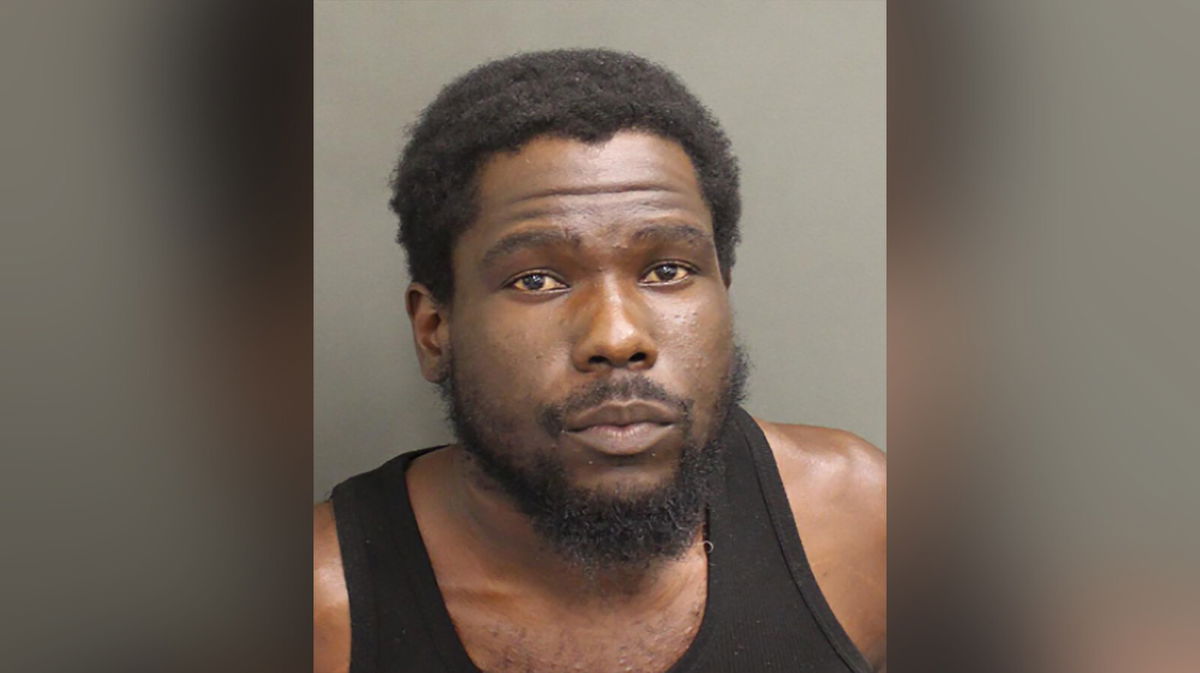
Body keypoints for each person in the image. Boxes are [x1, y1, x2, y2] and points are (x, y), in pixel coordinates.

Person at [314, 49, 885, 673]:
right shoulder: (321, 610)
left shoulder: (860, 520)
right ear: (434, 331)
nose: (617, 337)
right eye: (536, 280)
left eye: (668, 270)